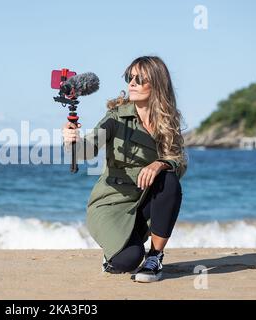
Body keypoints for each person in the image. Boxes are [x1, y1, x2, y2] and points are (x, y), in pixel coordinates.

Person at [62, 56, 188, 282]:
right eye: (129, 78)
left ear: (157, 84)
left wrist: (160, 163)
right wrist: (71, 141)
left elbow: (179, 161)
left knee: (169, 179)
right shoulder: (115, 118)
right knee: (127, 261)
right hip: (110, 203)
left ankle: (155, 257)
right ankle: (118, 250)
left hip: (144, 203)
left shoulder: (168, 121)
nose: (131, 83)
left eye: (139, 79)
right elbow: (86, 151)